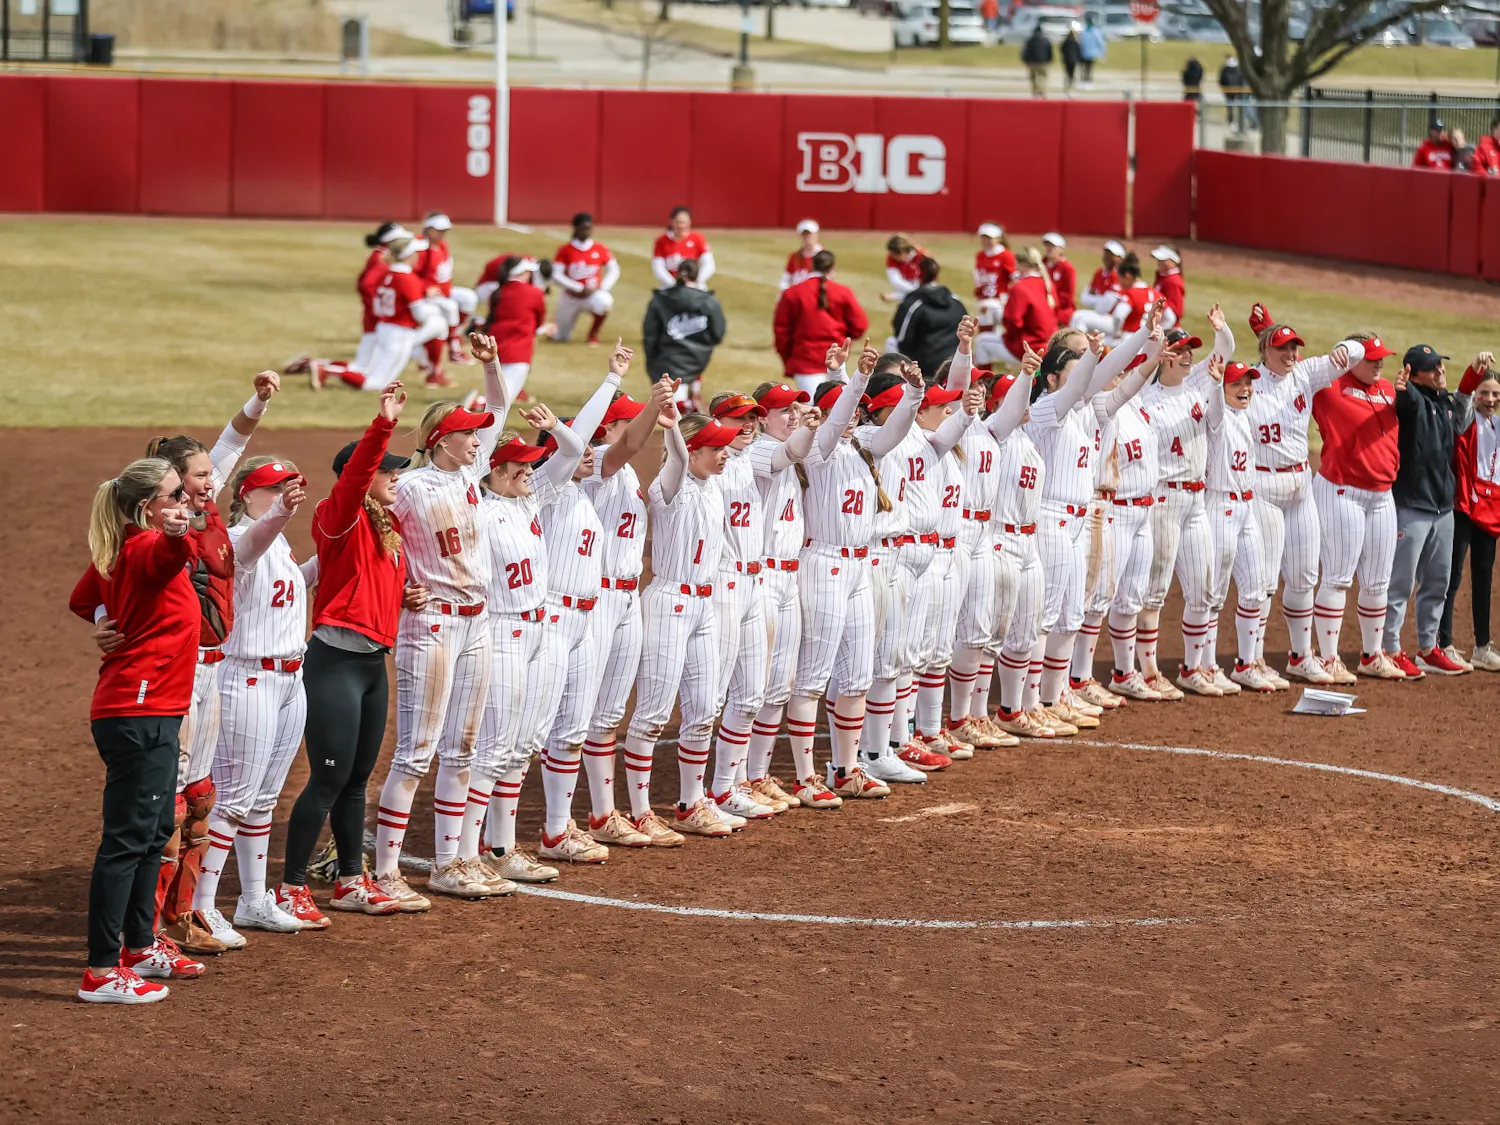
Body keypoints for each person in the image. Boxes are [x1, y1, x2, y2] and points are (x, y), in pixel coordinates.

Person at [89, 373, 278, 956]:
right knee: (175, 800)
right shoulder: (153, 530)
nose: (211, 482)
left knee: (197, 796)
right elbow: (102, 575)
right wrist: (104, 615)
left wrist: (260, 402)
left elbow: (233, 442)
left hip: (210, 668)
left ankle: (177, 915)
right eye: (199, 477)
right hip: (172, 673)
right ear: (170, 485)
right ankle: (154, 928)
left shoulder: (194, 505)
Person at [276, 384, 412, 924]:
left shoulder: (388, 529)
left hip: (372, 665)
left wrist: (407, 594)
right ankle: (289, 888)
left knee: (357, 779)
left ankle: (352, 880)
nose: (396, 477)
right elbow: (356, 481)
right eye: (388, 470)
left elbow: (373, 587)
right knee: (328, 779)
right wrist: (381, 426)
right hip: (334, 663)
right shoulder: (341, 517)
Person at [71, 457, 203, 1003]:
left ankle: (139, 945)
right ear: (149, 504)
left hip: (149, 709)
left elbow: (83, 599)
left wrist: (107, 617)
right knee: (126, 841)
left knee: (151, 833)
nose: (185, 500)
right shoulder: (146, 546)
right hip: (139, 710)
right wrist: (178, 533)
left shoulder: (121, 547)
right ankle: (102, 970)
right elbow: (178, 553)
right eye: (175, 494)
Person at [371, 387, 505, 910]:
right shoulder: (410, 486)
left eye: (477, 432)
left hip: (477, 624)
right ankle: (384, 872)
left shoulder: (470, 477)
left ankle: (451, 863)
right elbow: (367, 526)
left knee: (463, 747)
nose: (477, 439)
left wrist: (492, 366)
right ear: (441, 440)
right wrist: (399, 582)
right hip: (431, 625)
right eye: (468, 433)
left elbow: (500, 398)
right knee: (416, 752)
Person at [790, 349, 922, 802]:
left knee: (856, 675)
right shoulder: (818, 452)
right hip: (823, 563)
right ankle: (806, 775)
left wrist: (916, 394)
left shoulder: (864, 449)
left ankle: (845, 769)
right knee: (811, 677)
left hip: (859, 566)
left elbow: (897, 429)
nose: (851, 417)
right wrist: (857, 379)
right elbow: (835, 420)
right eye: (842, 411)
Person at [192, 457, 313, 939]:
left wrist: (334, 550)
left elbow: (288, 590)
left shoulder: (278, 541)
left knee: (263, 801)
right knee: (233, 800)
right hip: (247, 679)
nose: (286, 493)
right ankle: (201, 907)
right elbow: (253, 545)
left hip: (289, 679)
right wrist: (280, 512)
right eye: (275, 488)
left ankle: (254, 900)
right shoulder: (238, 540)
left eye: (289, 486)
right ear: (246, 494)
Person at [621, 411, 742, 836]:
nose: (724, 455)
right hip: (668, 602)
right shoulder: (669, 485)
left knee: (705, 709)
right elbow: (674, 457)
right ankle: (640, 811)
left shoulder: (714, 487)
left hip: (704, 607)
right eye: (715, 448)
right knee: (652, 714)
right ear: (692, 450)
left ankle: (692, 803)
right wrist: (671, 424)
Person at [581, 375, 680, 840]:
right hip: (597, 599)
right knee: (585, 713)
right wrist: (656, 407)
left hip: (624, 598)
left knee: (610, 713)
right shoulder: (601, 461)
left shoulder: (626, 474)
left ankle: (610, 813)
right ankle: (598, 814)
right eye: (626, 419)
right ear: (606, 427)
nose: (637, 426)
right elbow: (634, 439)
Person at [1243, 301, 1361, 685]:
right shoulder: (1245, 381)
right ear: (1265, 351)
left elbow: (1357, 352)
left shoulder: (1305, 373)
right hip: (1263, 486)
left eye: (1295, 347)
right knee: (1262, 581)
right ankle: (1251, 662)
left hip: (1300, 486)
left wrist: (1346, 350)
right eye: (1282, 348)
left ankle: (1300, 656)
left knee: (1304, 577)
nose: (1292, 354)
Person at [1136, 312, 1237, 698]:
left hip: (1196, 500)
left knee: (1203, 587)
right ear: (1164, 357)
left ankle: (1193, 668)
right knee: (1155, 590)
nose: (1188, 356)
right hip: (1163, 498)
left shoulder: (1198, 387)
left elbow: (1223, 351)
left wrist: (1220, 329)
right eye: (1180, 351)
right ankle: (1146, 671)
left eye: (1190, 351)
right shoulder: (1146, 400)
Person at [742, 381, 825, 804]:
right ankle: (736, 777)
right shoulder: (758, 450)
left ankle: (757, 775)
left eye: (796, 408)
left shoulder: (792, 453)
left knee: (779, 685)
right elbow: (789, 452)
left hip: (788, 580)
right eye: (783, 410)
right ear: (761, 418)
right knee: (751, 686)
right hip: (761, 580)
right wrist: (807, 430)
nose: (792, 415)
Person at [1307, 333, 1405, 683]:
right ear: (1350, 359)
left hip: (1382, 496)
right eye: (1372, 358)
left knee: (1378, 581)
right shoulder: (1327, 388)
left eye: (1382, 357)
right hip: (1341, 492)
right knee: (1337, 576)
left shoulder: (1390, 392)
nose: (1380, 362)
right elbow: (1285, 372)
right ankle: (1330, 658)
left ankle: (1371, 655)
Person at [1383, 344, 1475, 676]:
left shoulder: (1444, 403)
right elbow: (1405, 402)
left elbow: (1461, 420)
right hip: (1412, 504)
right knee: (1400, 583)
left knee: (1437, 581)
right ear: (1414, 372)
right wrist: (1403, 388)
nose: (1440, 372)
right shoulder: (1413, 401)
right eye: (1432, 368)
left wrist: (1470, 379)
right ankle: (1390, 648)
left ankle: (1427, 647)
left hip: (1442, 507)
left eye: (1441, 365)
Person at [1204, 361, 1274, 692]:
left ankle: (1247, 664)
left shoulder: (1245, 415)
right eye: (1237, 384)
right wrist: (1217, 384)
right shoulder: (1215, 417)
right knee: (1213, 593)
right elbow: (1215, 403)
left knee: (1256, 587)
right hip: (1220, 506)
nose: (1245, 389)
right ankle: (1204, 665)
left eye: (1249, 383)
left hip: (1247, 507)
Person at [308, 236, 448, 392]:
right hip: (399, 331)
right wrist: (432, 308)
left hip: (384, 327)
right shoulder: (406, 278)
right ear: (409, 255)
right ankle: (327, 369)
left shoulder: (388, 273)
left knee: (377, 378)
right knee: (375, 384)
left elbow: (377, 305)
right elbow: (420, 314)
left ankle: (327, 368)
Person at [1441, 353, 1500, 670]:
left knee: (1483, 579)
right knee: (1452, 577)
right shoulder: (1464, 421)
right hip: (1464, 507)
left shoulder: (1498, 425)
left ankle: (1481, 646)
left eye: (1495, 394)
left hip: (1491, 512)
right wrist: (1474, 370)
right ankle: (1444, 643)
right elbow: (1462, 399)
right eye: (1485, 392)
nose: (1490, 399)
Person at [774, 248, 869, 396]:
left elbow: (781, 331)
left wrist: (788, 359)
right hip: (836, 357)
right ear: (832, 267)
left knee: (815, 410)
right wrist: (844, 340)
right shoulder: (842, 292)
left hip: (805, 360)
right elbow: (859, 325)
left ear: (812, 265)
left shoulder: (793, 293)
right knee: (838, 407)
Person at [642, 258, 727, 413]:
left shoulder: (660, 299)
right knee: (675, 406)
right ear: (697, 275)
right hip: (697, 360)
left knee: (673, 409)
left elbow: (650, 334)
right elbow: (718, 333)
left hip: (665, 359)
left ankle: (688, 408)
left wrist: (652, 358)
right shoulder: (709, 301)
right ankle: (691, 402)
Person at [479, 255, 550, 407]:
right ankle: (477, 403)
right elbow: (539, 321)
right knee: (502, 400)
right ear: (522, 273)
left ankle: (482, 403)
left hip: (497, 348)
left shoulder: (497, 293)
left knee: (500, 392)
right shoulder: (534, 293)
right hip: (519, 352)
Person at [413, 211, 480, 369]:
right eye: (439, 230)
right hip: (426, 294)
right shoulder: (421, 247)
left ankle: (454, 334)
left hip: (443, 291)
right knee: (451, 308)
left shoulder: (441, 245)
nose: (443, 234)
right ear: (429, 229)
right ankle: (454, 349)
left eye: (444, 231)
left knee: (469, 298)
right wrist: (424, 289)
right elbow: (411, 272)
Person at [549, 212, 618, 347]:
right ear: (576, 228)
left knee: (605, 302)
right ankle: (552, 329)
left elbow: (614, 269)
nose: (587, 231)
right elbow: (556, 275)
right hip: (570, 298)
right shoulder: (565, 250)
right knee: (562, 338)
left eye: (589, 228)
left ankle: (593, 335)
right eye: (583, 228)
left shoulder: (599, 248)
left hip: (592, 295)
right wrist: (579, 288)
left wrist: (603, 287)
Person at [893, 256, 967, 378]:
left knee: (890, 343)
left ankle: (898, 386)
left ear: (919, 276)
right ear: (937, 275)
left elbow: (902, 338)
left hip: (922, 365)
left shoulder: (914, 302)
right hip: (952, 362)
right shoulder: (955, 301)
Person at [983, 247, 1057, 367]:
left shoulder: (1019, 287)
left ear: (1021, 263)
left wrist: (1008, 338)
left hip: (1030, 348)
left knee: (981, 341)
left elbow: (1014, 321)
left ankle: (984, 384)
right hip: (1050, 346)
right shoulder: (1047, 284)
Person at [651, 206, 715, 289]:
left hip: (694, 287)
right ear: (672, 222)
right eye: (678, 222)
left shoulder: (698, 239)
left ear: (689, 222)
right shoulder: (662, 241)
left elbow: (709, 264)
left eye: (684, 222)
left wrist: (696, 282)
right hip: (670, 288)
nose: (681, 226)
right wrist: (674, 284)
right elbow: (658, 267)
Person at [1071, 240, 1126, 335]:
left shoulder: (1119, 276)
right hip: (1101, 315)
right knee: (1076, 316)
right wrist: (1100, 300)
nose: (1107, 257)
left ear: (1120, 258)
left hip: (1113, 319)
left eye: (1111, 254)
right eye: (1106, 253)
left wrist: (1096, 300)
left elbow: (1107, 305)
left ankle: (1079, 348)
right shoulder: (1099, 273)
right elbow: (1085, 298)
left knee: (1082, 321)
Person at [972, 223, 1017, 334]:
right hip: (985, 299)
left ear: (998, 239)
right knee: (988, 328)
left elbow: (1016, 279)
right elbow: (979, 280)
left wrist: (1007, 297)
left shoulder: (1006, 255)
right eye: (983, 237)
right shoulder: (980, 256)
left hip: (1000, 301)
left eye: (989, 238)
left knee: (988, 326)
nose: (986, 241)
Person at [1042, 233, 1076, 327]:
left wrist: (1050, 303)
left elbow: (1067, 296)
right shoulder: (1041, 264)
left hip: (1060, 309)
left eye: (1052, 246)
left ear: (1061, 249)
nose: (1048, 248)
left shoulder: (1067, 268)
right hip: (1042, 304)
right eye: (1047, 245)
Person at [882, 234, 928, 303]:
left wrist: (894, 296)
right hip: (915, 295)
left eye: (894, 254)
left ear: (902, 252)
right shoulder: (891, 258)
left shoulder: (922, 256)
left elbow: (928, 283)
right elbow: (896, 281)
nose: (892, 257)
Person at [780, 220, 823, 290]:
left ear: (816, 234)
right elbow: (785, 280)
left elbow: (828, 281)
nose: (807, 237)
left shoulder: (823, 256)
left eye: (809, 234)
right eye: (804, 234)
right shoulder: (795, 256)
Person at [1151, 246, 1185, 328]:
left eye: (1162, 260)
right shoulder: (1163, 277)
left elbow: (1176, 312)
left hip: (1167, 329)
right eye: (1158, 260)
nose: (1158, 262)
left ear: (1174, 262)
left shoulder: (1173, 282)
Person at [1022, 24, 1053, 97]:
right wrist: (1049, 60)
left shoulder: (1030, 40)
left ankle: (1034, 91)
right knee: (1042, 77)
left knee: (1033, 78)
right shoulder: (1046, 40)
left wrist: (1025, 60)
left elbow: (1025, 51)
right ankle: (1041, 90)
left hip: (1032, 62)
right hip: (1043, 62)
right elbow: (1049, 51)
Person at [1079, 13, 1105, 83]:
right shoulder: (1095, 31)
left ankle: (1085, 77)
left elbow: (1080, 42)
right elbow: (1101, 43)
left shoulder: (1084, 31)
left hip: (1085, 52)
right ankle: (1087, 77)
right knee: (1089, 66)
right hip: (1090, 53)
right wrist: (1102, 53)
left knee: (1085, 66)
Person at [1061, 26, 1081, 91]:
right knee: (1072, 71)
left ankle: (1068, 81)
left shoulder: (1065, 42)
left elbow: (1062, 50)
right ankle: (1071, 81)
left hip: (1066, 59)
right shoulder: (1075, 42)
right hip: (1074, 59)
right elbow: (1078, 51)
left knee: (1067, 71)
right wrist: (1078, 59)